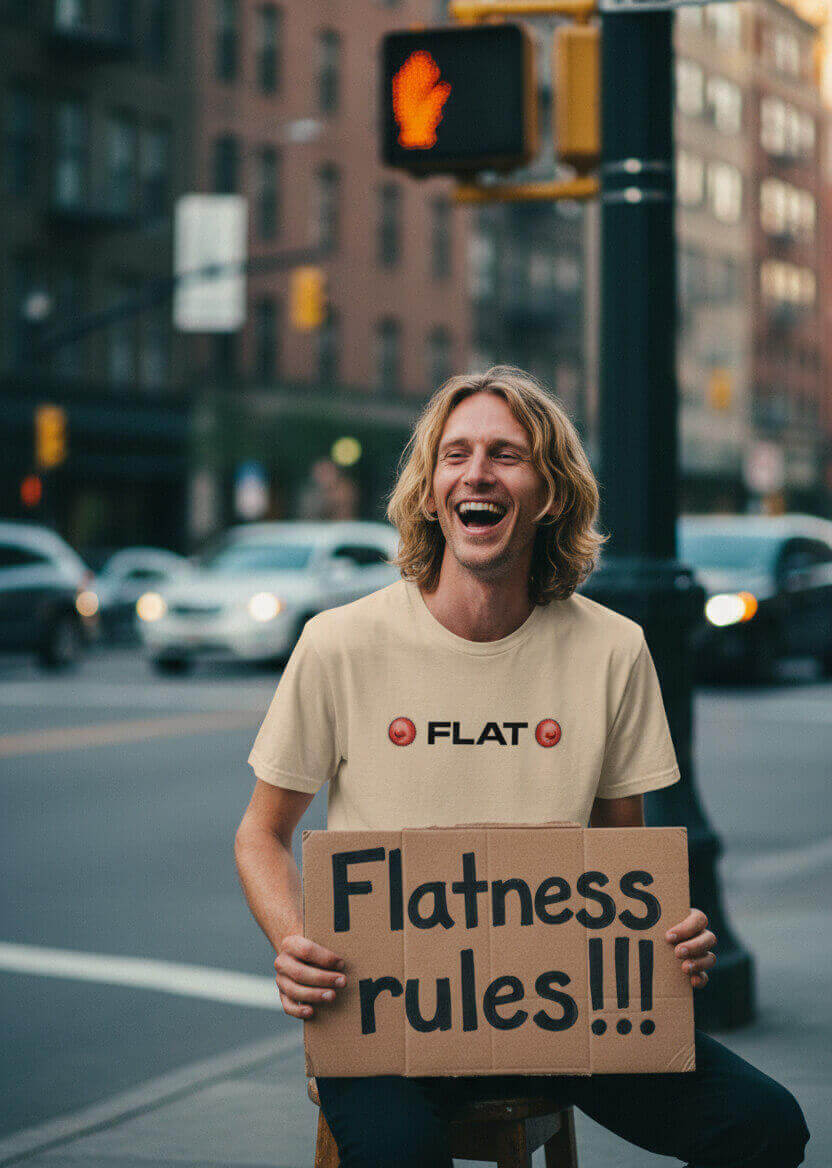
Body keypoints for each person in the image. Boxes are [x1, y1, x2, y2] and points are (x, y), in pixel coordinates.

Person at [235, 367, 809, 1167]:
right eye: (456, 455)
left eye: (506, 455)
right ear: (431, 494)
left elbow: (620, 860)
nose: (477, 473)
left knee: (766, 1125)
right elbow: (260, 834)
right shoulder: (339, 643)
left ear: (550, 494)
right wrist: (295, 944)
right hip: (385, 1020)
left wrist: (666, 936)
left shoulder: (614, 650)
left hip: (560, 1013)